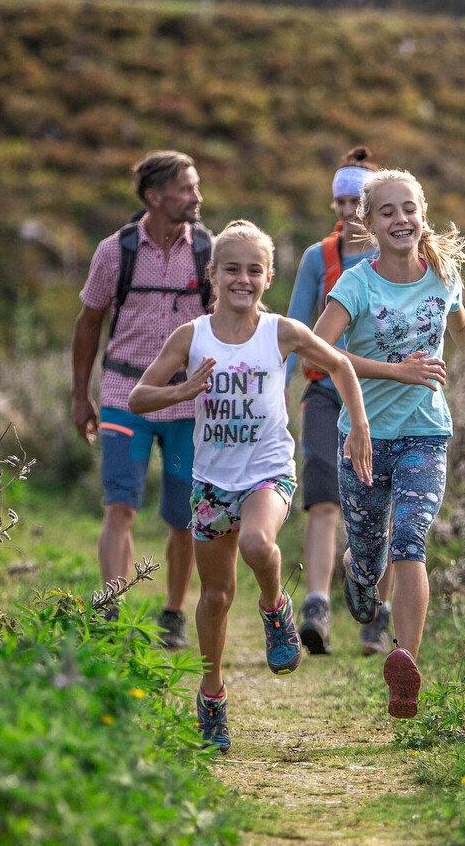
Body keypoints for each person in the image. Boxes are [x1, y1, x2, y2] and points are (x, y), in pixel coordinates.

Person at [126, 221, 375, 753]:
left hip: (268, 470)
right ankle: (212, 694)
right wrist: (184, 391)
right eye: (232, 269)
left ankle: (275, 608)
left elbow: (341, 366)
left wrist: (358, 425)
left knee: (261, 544)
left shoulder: (281, 331)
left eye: (254, 270)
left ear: (268, 278)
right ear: (212, 275)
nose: (243, 279)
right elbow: (138, 398)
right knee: (214, 595)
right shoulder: (190, 336)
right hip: (211, 481)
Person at [311, 169, 465, 719]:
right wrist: (394, 371)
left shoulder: (443, 275)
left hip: (425, 433)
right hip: (362, 437)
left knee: (410, 537)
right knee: (368, 546)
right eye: (387, 212)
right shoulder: (357, 284)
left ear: (423, 214)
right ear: (368, 222)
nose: (400, 219)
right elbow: (317, 352)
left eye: (409, 209)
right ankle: (358, 573)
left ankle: (405, 664)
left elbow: (463, 329)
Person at [69, 151, 209, 647]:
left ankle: (172, 615)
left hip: (188, 405)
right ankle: (111, 609)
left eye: (195, 187)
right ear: (155, 197)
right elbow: (89, 323)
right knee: (120, 504)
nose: (196, 197)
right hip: (123, 399)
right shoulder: (116, 252)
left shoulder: (208, 252)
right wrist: (80, 394)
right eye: (186, 189)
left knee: (183, 515)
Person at [284, 146, 382, 657]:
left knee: (377, 503)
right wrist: (276, 386)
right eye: (339, 202)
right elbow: (294, 328)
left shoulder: (397, 257)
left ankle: (373, 610)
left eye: (356, 202)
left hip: (384, 395)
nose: (346, 212)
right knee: (323, 499)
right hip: (324, 393)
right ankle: (317, 607)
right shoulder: (316, 259)